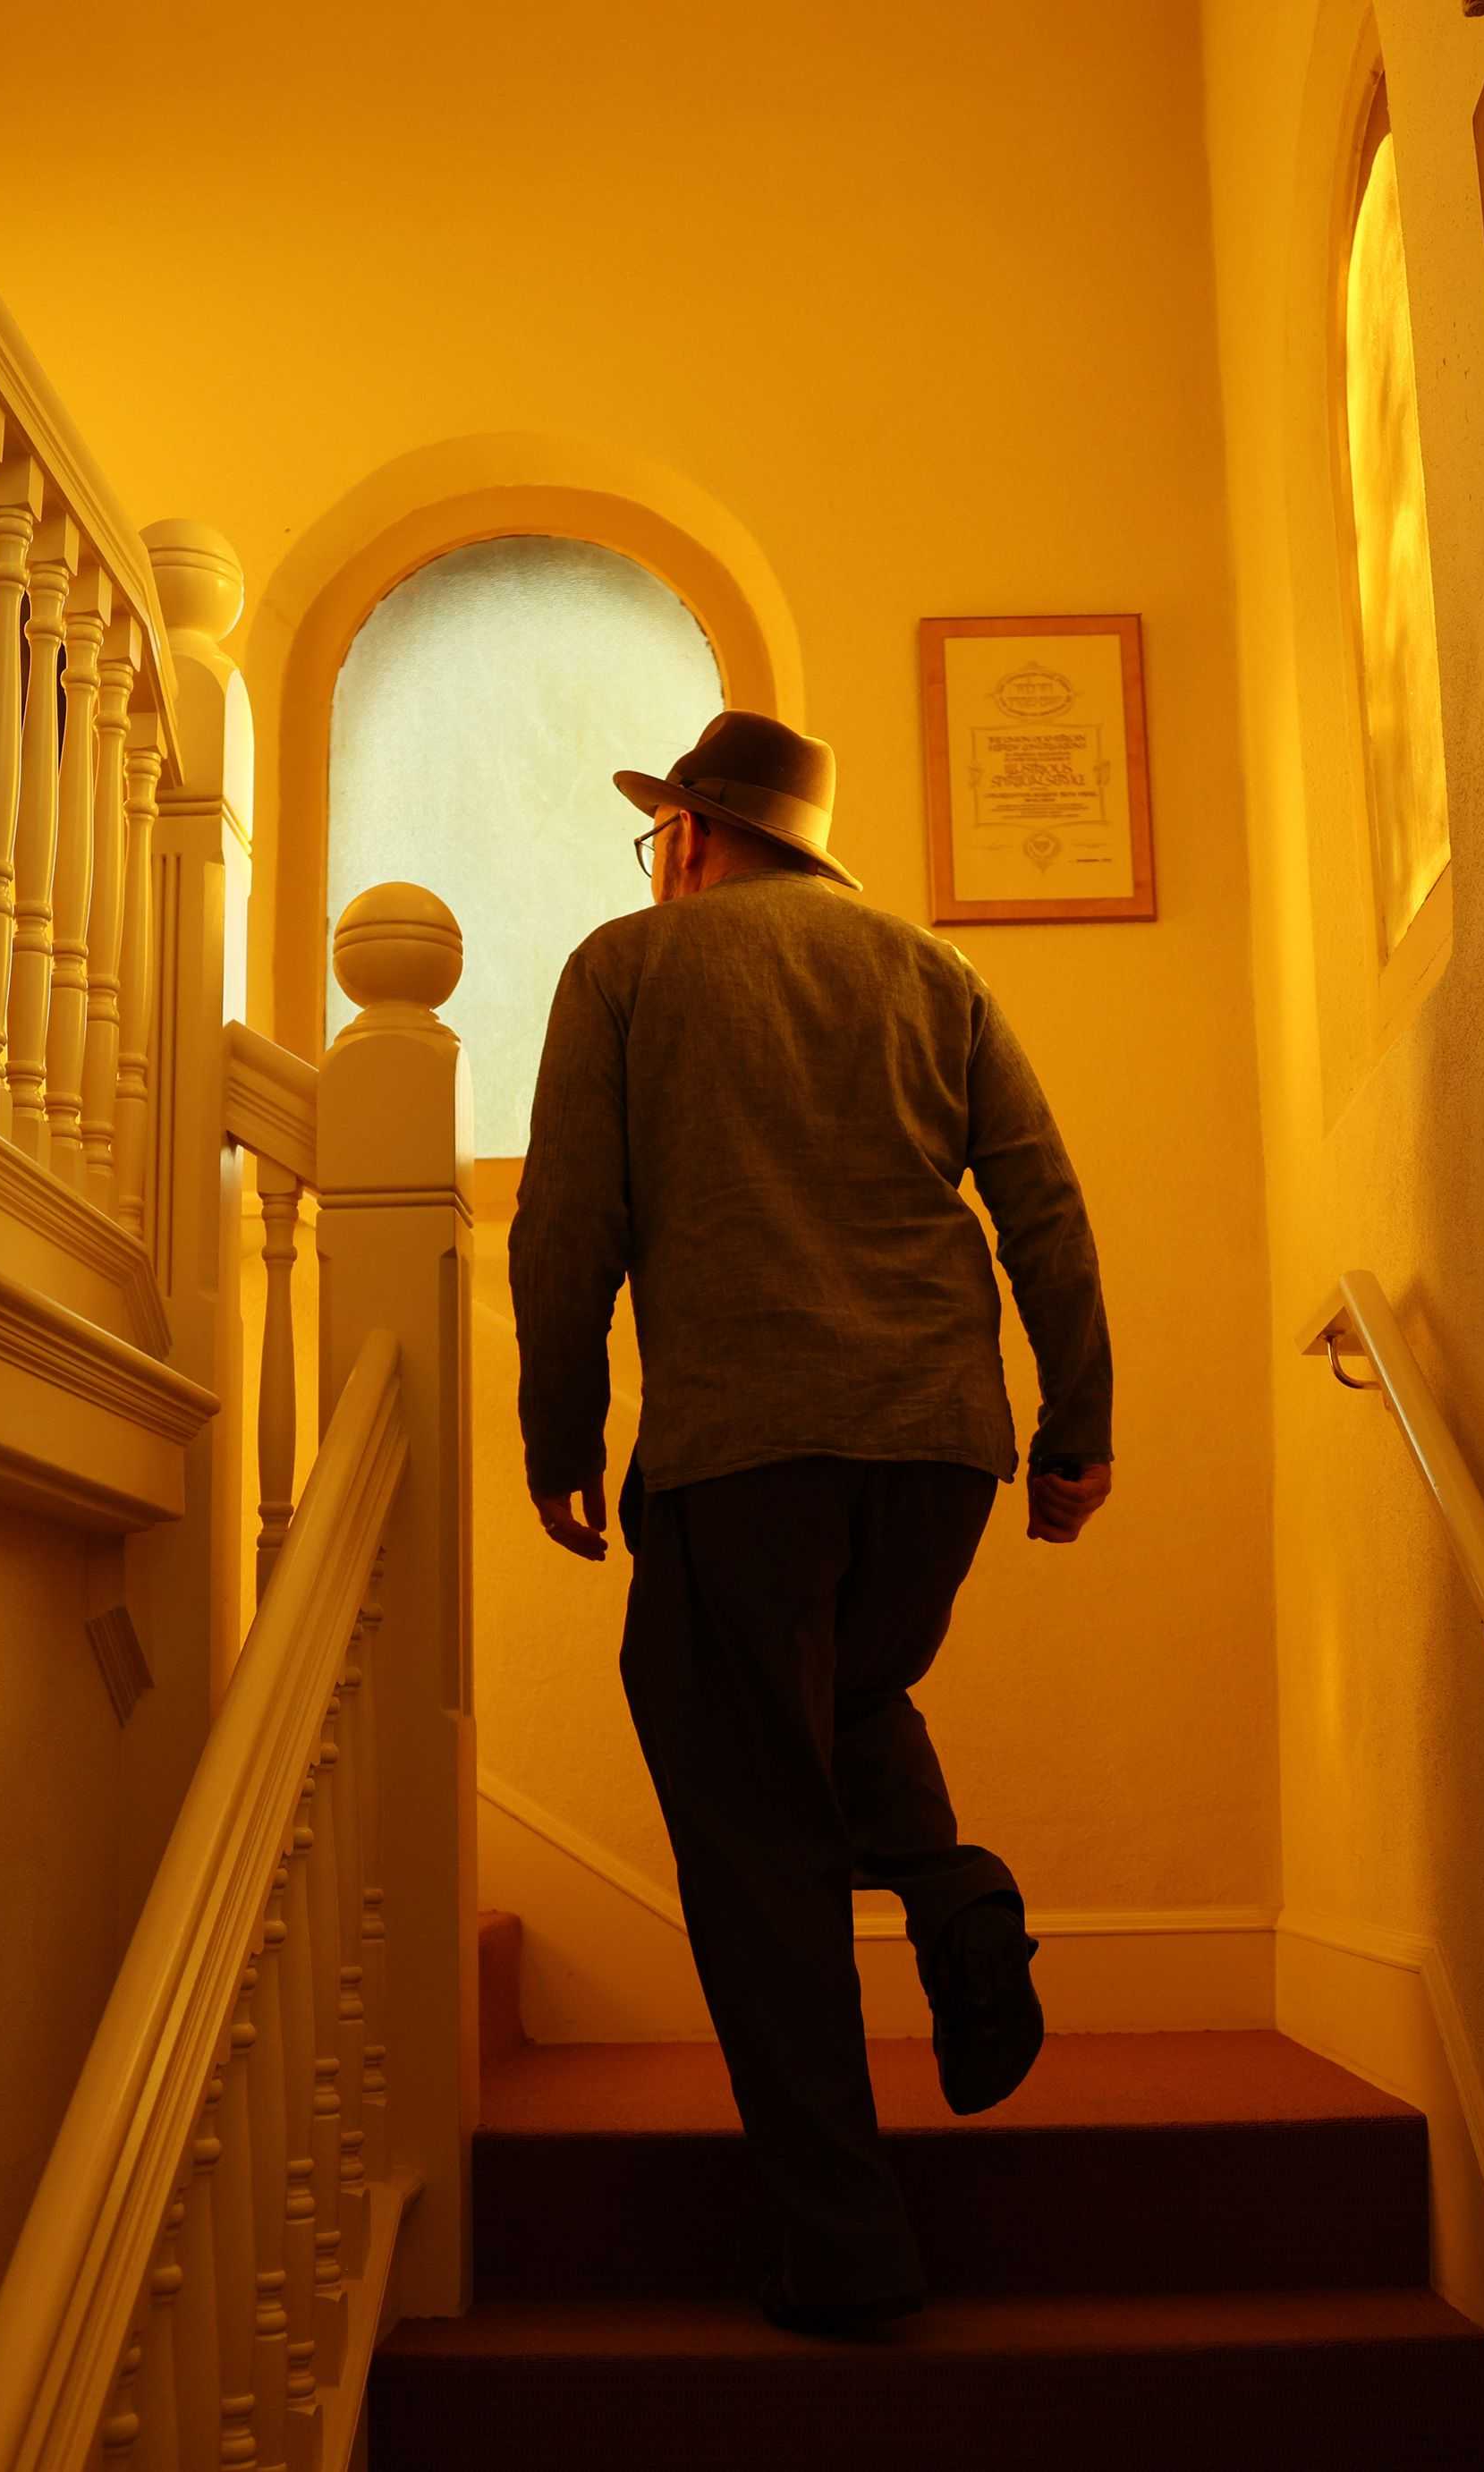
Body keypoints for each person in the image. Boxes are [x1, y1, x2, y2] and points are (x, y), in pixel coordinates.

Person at [507, 708, 1115, 2336]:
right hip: (938, 1449)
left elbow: (569, 1220)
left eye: (660, 841)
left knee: (754, 1843)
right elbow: (1042, 1203)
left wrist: (557, 1427)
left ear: (692, 837)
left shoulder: (627, 969)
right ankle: (959, 1899)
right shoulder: (936, 976)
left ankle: (844, 2253)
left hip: (742, 1451)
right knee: (848, 1698)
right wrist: (1079, 1431)